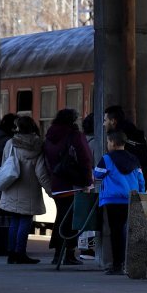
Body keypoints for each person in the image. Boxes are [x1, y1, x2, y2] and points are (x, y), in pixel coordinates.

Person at [0, 116, 53, 264]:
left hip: (12, 186)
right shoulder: (37, 145)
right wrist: (50, 191)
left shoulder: (10, 143)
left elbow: (5, 164)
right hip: (29, 190)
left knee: (14, 220)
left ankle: (11, 253)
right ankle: (20, 253)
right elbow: (41, 173)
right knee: (25, 221)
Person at [43, 108, 94, 265]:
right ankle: (69, 254)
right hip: (73, 184)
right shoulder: (75, 135)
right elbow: (85, 159)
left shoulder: (49, 137)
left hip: (57, 184)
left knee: (61, 218)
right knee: (71, 220)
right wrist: (87, 181)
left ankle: (58, 253)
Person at [94, 130, 145, 275]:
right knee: (128, 231)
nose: (107, 144)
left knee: (115, 233)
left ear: (113, 143)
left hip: (112, 200)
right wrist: (139, 195)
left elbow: (97, 174)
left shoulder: (107, 159)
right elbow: (141, 180)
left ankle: (117, 265)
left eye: (108, 142)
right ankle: (128, 263)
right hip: (131, 199)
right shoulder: (134, 159)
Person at [103, 105, 147, 186]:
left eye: (105, 120)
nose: (103, 124)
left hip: (130, 184)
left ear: (113, 121)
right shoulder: (133, 134)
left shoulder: (121, 139)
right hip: (141, 180)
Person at [0, 113, 17, 256]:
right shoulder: (7, 141)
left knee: (0, 218)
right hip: (7, 181)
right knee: (10, 217)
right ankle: (8, 248)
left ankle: (1, 247)